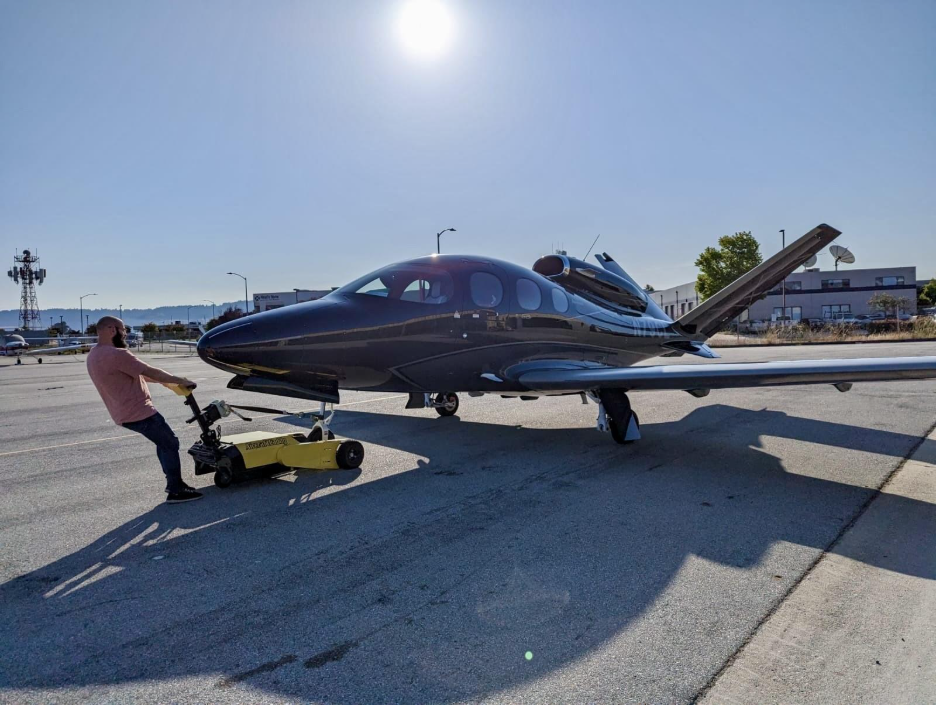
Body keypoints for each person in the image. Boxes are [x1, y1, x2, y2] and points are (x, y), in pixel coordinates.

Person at [87, 316, 203, 503]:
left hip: (122, 414)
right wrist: (181, 380)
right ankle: (176, 489)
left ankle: (172, 483)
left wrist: (166, 383)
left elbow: (137, 374)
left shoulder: (94, 354)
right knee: (170, 443)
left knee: (163, 443)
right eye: (123, 329)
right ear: (112, 329)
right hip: (140, 412)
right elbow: (149, 371)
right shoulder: (117, 354)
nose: (125, 333)